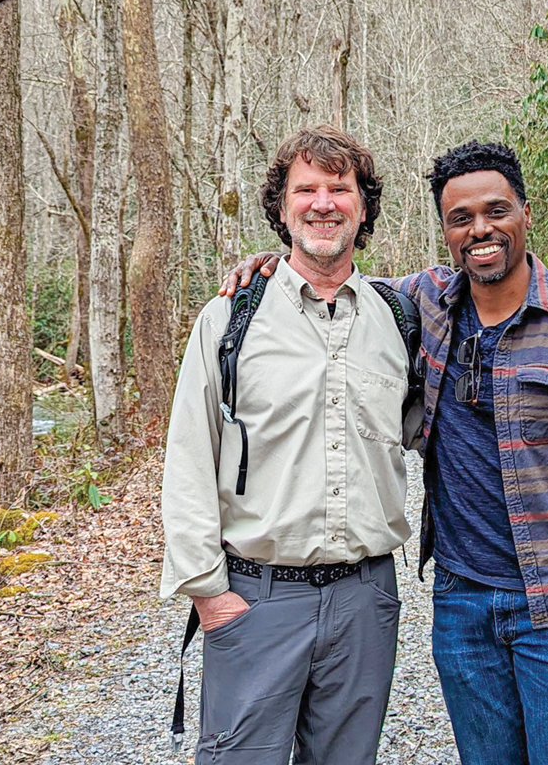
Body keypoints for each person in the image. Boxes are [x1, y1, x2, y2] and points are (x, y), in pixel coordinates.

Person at [221, 141, 548, 765]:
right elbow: (329, 275)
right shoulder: (420, 305)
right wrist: (269, 266)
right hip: (461, 604)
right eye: (461, 218)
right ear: (445, 231)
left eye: (496, 211)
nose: (480, 229)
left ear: (525, 213)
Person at [159, 125, 420, 765]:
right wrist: (207, 592)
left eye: (340, 188)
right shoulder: (229, 319)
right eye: (307, 189)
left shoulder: (400, 317)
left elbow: (432, 433)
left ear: (364, 207)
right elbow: (190, 457)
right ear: (282, 207)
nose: (323, 203)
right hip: (255, 597)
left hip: (366, 599)